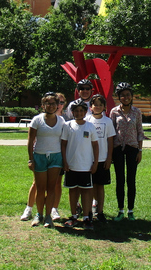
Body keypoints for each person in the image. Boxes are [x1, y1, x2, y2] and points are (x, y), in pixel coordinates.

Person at [21, 93, 67, 222]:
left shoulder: (61, 121)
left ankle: (48, 216)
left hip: (56, 157)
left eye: (53, 103)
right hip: (40, 156)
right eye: (48, 103)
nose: (51, 106)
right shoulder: (37, 120)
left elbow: (63, 141)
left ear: (57, 105)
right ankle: (39, 214)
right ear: (43, 105)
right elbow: (30, 141)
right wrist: (31, 159)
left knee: (52, 188)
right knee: (40, 188)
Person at [60, 99, 99, 229]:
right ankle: (74, 216)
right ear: (72, 112)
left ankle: (87, 217)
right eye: (76, 111)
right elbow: (63, 144)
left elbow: (95, 146)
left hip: (86, 165)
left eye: (81, 110)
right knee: (73, 191)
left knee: (86, 191)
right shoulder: (67, 125)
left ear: (85, 111)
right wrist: (64, 161)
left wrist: (95, 163)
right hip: (71, 165)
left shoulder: (90, 126)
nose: (78, 113)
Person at [109, 82, 143, 221]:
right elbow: (111, 132)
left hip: (132, 148)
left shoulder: (137, 112)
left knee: (131, 180)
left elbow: (140, 131)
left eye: (128, 95)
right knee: (120, 180)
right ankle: (120, 210)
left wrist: (140, 150)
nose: (125, 97)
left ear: (131, 96)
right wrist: (110, 152)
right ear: (119, 97)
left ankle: (131, 210)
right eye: (122, 95)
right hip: (117, 149)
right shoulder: (114, 112)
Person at [86, 94, 115, 222]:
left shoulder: (108, 121)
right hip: (89, 159)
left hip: (103, 159)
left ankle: (100, 211)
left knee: (100, 186)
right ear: (91, 107)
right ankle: (90, 211)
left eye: (100, 105)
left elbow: (110, 141)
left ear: (104, 107)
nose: (97, 107)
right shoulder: (86, 120)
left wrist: (109, 158)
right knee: (90, 186)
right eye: (95, 104)